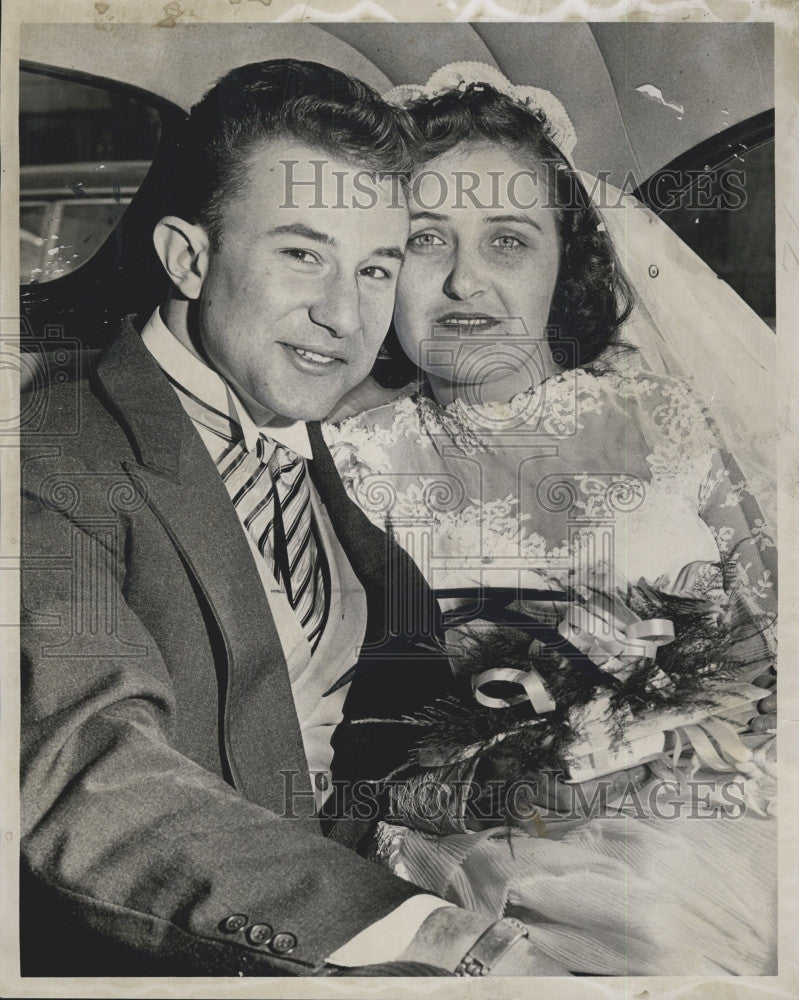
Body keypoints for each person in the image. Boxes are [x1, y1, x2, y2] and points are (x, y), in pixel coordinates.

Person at [19, 59, 570, 978]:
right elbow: (90, 777)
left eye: (375, 269)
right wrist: (425, 934)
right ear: (188, 257)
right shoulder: (50, 455)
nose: (341, 315)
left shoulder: (323, 454)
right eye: (301, 253)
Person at [326, 65, 778, 975]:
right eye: (425, 241)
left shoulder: (669, 419)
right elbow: (341, 731)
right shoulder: (346, 462)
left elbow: (774, 641)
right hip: (479, 848)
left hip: (726, 811)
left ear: (563, 258)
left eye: (507, 241)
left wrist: (709, 729)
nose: (465, 282)